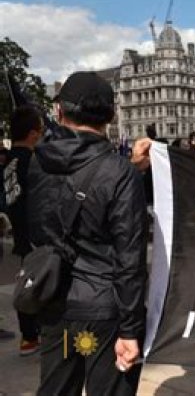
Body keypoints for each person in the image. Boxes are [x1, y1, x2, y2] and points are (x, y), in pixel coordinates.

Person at [25, 71, 147, 395]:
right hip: (102, 312)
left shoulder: (39, 162)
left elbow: (39, 226)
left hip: (56, 301)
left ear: (59, 112)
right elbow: (130, 258)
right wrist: (131, 328)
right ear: (111, 116)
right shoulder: (119, 173)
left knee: (58, 388)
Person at [5, 106, 43, 354]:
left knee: (27, 282)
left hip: (20, 231)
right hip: (36, 233)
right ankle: (35, 335)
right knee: (40, 285)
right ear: (32, 133)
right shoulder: (33, 162)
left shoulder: (9, 161)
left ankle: (29, 337)